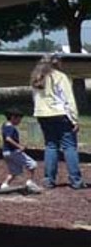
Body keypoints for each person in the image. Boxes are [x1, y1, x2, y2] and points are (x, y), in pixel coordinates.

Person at [30, 53, 84, 189]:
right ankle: (76, 180)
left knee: (51, 145)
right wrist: (74, 119)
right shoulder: (60, 77)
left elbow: (34, 98)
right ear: (57, 63)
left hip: (42, 114)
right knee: (69, 146)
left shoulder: (36, 77)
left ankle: (49, 179)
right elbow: (68, 99)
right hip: (60, 113)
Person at [0, 110, 44, 194]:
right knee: (32, 164)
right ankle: (30, 182)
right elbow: (8, 139)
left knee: (14, 172)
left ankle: (4, 185)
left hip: (6, 152)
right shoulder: (10, 127)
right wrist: (19, 146)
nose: (19, 121)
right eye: (19, 119)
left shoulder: (4, 125)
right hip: (13, 152)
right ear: (12, 117)